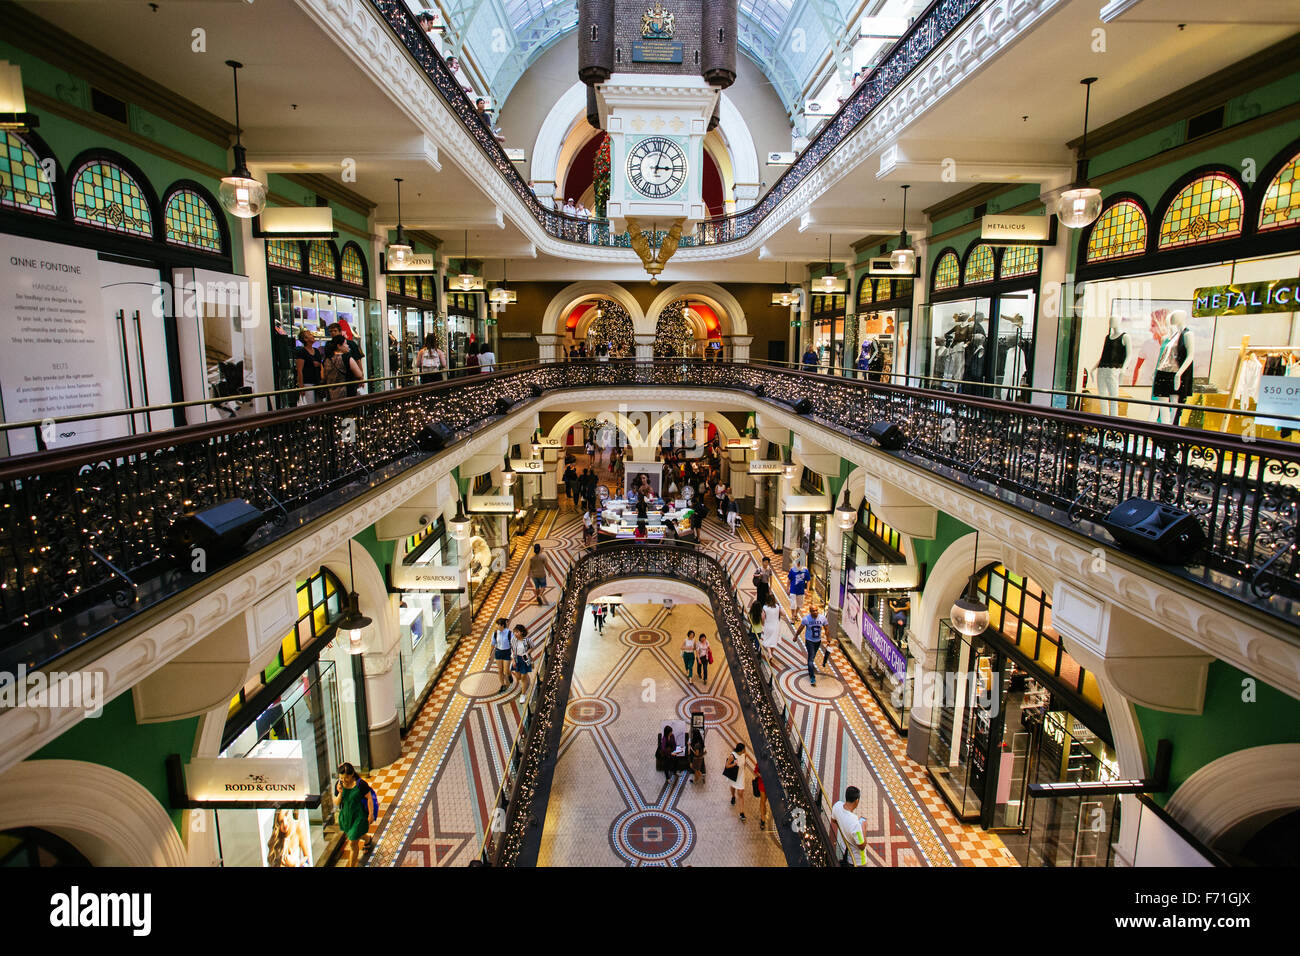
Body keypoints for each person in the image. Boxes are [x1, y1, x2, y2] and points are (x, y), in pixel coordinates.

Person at [334, 763, 374, 867]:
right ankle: (368, 839)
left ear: (352, 774)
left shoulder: (360, 784)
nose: (344, 779)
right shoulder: (339, 785)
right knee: (355, 835)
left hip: (358, 817)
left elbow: (369, 798)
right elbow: (337, 802)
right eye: (341, 777)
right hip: (347, 817)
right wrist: (340, 792)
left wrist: (371, 814)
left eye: (346, 777)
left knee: (352, 842)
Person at [792, 601, 830, 686]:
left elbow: (827, 629)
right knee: (811, 658)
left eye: (816, 610)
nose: (815, 612)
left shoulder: (822, 618)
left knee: (812, 656)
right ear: (810, 611)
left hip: (817, 641)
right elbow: (800, 628)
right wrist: (796, 636)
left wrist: (828, 639)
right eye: (813, 611)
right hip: (809, 641)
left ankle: (810, 666)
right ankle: (812, 677)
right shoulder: (806, 619)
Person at [326, 321, 366, 396]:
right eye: (331, 331)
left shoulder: (351, 344)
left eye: (335, 331)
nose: (333, 333)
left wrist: (361, 378)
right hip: (335, 381)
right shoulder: (328, 345)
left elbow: (358, 360)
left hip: (350, 379)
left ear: (340, 331)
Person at [831, 786, 868, 866]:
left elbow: (833, 820)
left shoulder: (837, 806)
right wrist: (864, 827)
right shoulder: (855, 823)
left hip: (845, 850)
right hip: (858, 861)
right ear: (856, 801)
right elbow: (862, 845)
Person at [321, 334, 362, 402]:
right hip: (347, 394)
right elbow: (359, 374)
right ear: (339, 346)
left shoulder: (327, 359)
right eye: (345, 344)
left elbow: (323, 376)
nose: (348, 346)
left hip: (331, 395)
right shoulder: (347, 358)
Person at [723, 742, 755, 821]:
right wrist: (734, 765)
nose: (745, 750)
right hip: (734, 775)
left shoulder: (744, 755)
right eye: (744, 749)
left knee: (740, 793)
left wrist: (743, 767)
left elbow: (744, 761)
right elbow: (727, 766)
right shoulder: (732, 756)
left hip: (741, 776)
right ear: (741, 750)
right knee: (733, 786)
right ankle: (733, 796)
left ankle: (742, 813)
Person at [294, 328, 322, 403]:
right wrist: (301, 386)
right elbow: (299, 370)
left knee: (320, 404)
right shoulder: (302, 352)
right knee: (310, 404)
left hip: (318, 381)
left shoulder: (316, 351)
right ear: (305, 339)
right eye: (309, 334)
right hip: (307, 382)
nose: (312, 335)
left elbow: (320, 365)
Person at [511, 623, 532, 703]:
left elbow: (532, 647)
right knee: (518, 677)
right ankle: (525, 681)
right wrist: (513, 660)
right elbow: (512, 650)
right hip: (516, 659)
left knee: (523, 677)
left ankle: (523, 694)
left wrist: (527, 653)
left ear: (522, 632)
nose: (515, 634)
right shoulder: (513, 640)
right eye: (514, 632)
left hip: (524, 659)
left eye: (517, 632)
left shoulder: (527, 640)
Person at [492, 617, 513, 691]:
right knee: (500, 670)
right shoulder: (495, 633)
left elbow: (513, 644)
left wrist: (514, 655)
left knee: (506, 670)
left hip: (507, 652)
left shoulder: (509, 633)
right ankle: (503, 684)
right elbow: (493, 644)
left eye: (497, 625)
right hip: (498, 652)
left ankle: (509, 674)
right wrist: (490, 654)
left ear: (502, 625)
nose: (496, 626)